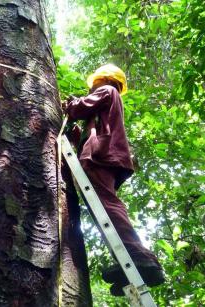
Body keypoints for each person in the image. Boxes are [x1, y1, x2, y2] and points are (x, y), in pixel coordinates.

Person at [63, 64, 164, 296]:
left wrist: (70, 105)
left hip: (102, 156)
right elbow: (92, 131)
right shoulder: (108, 103)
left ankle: (140, 256)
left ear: (102, 79)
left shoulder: (107, 91)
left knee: (107, 206)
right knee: (103, 212)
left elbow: (79, 109)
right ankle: (127, 265)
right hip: (105, 155)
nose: (91, 89)